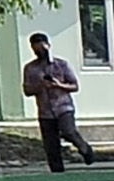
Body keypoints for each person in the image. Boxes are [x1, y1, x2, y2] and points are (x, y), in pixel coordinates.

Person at [22, 32, 95, 171]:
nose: (40, 52)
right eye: (36, 49)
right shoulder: (30, 68)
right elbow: (27, 90)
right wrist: (40, 85)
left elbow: (75, 86)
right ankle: (57, 172)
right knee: (51, 144)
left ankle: (85, 149)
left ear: (48, 46)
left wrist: (59, 85)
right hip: (45, 111)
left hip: (63, 107)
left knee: (68, 131)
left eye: (42, 48)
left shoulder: (61, 64)